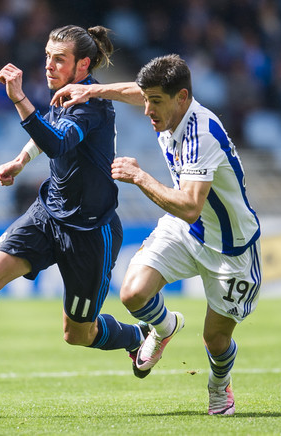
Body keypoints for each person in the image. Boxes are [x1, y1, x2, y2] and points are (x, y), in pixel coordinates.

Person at [0, 25, 150, 407]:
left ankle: (137, 337)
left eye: (59, 59)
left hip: (90, 231)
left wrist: (19, 99)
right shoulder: (65, 96)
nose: (49, 64)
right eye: (47, 56)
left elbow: (59, 140)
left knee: (78, 334)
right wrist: (21, 159)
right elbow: (48, 128)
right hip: (48, 214)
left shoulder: (93, 104)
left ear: (83, 65)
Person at [51, 54, 262, 416]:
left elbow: (190, 205)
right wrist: (91, 92)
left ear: (181, 97)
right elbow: (137, 93)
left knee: (215, 338)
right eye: (147, 100)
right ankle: (163, 329)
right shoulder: (167, 107)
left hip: (230, 247)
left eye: (156, 102)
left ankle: (218, 385)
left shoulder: (202, 133)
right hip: (187, 231)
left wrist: (139, 176)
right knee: (132, 293)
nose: (147, 109)